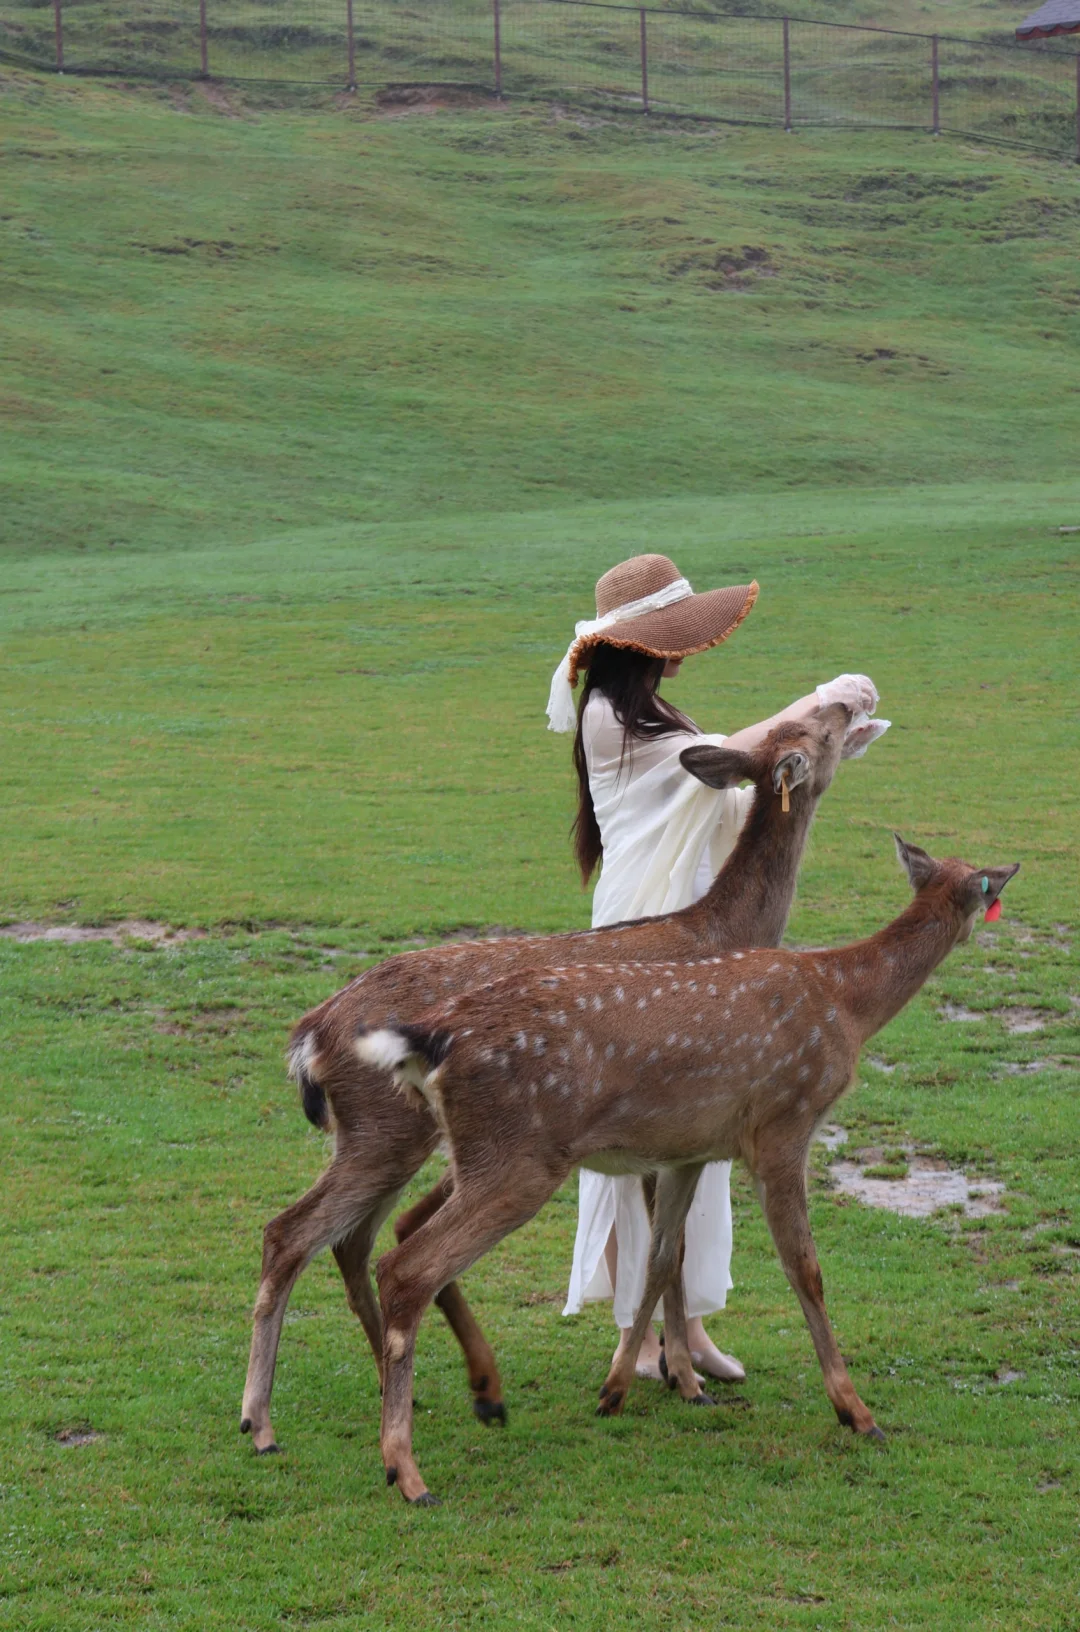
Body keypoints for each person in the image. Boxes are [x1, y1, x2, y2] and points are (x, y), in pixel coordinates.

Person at [547, 553, 884, 1382]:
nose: (680, 652)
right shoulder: (607, 720)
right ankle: (647, 1335)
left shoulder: (651, 710)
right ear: (644, 646)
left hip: (696, 925)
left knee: (695, 1123)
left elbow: (727, 785)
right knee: (631, 1131)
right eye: (670, 640)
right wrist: (817, 702)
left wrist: (810, 756)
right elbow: (723, 757)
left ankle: (688, 1326)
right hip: (639, 933)